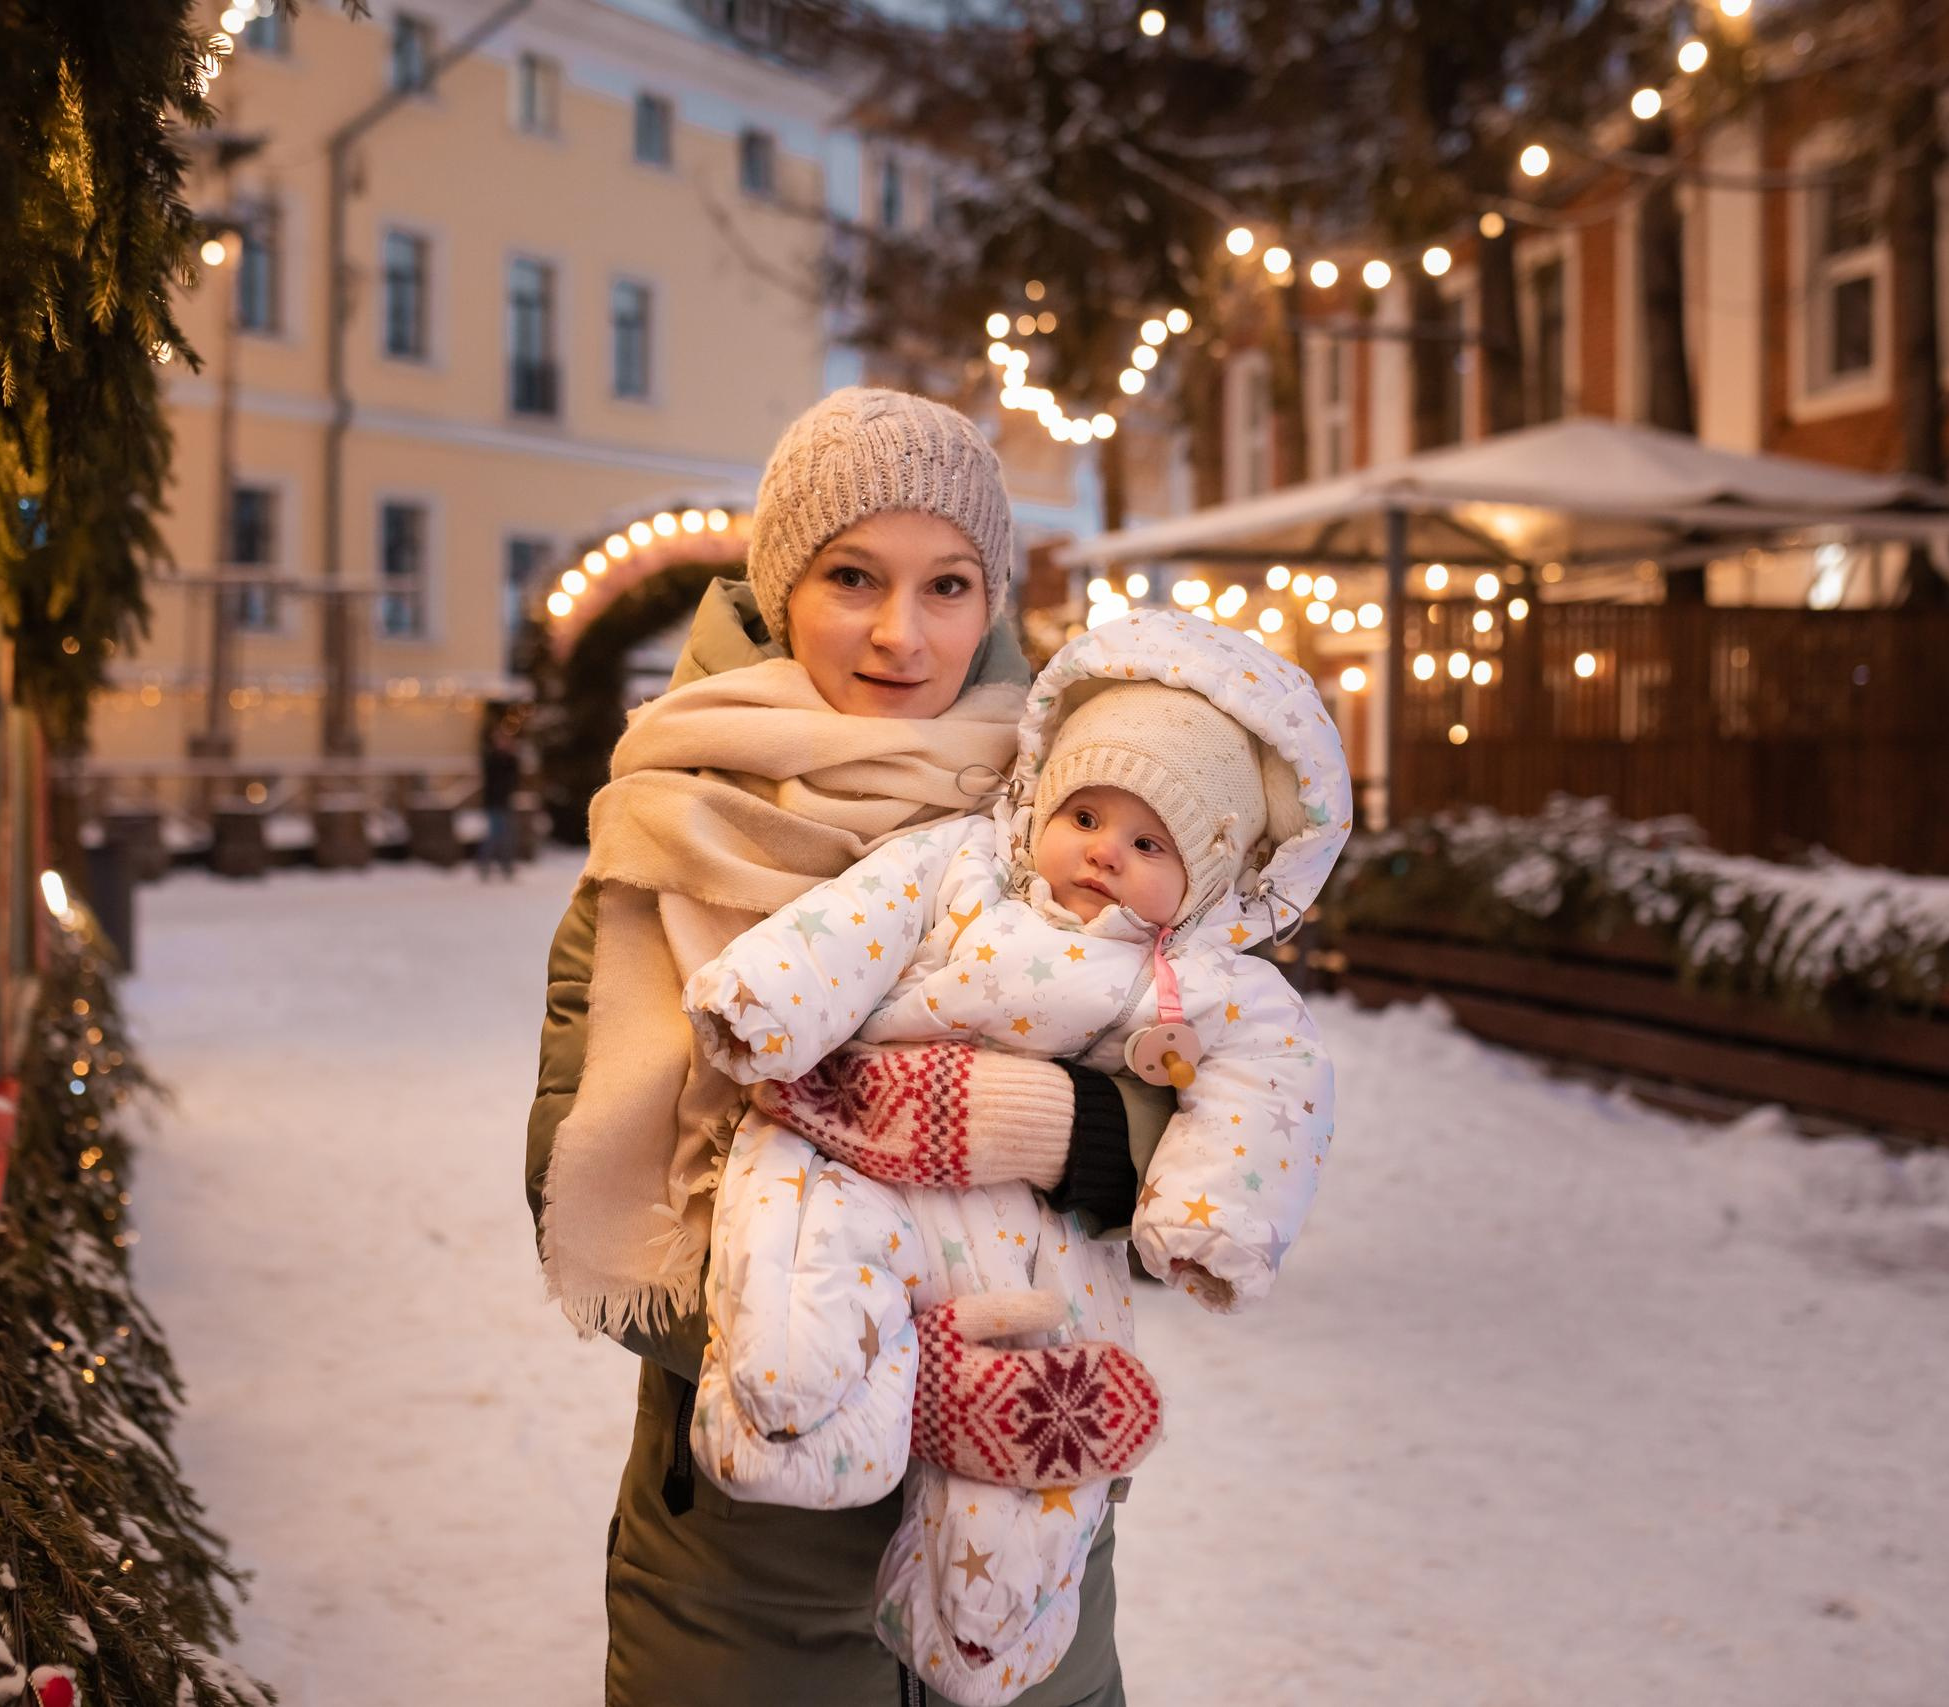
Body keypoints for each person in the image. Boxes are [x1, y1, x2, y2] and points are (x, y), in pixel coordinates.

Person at [524, 388, 1177, 1707]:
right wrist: (889, 1363)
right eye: (853, 576)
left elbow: (1213, 1121)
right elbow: (573, 1170)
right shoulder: (665, 825)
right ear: (783, 586)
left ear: (990, 599)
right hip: (750, 1570)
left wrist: (1075, 1130)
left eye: (948, 584)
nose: (901, 632)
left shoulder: (1078, 819)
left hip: (1028, 1541)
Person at [680, 609, 1350, 1703]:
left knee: (1043, 1419)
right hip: (857, 1156)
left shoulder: (1211, 982)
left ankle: (985, 1628)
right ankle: (788, 1410)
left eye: (1150, 844)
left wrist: (1209, 1218)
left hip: (1039, 1244)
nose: (1105, 851)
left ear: (1210, 876)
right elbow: (851, 924)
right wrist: (765, 1004)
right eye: (1085, 815)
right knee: (798, 1234)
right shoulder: (959, 865)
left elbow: (1274, 1089)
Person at [477, 703, 526, 880]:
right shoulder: (492, 759)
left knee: (507, 836)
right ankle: (485, 865)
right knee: (495, 836)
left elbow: (514, 777)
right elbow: (495, 779)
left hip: (505, 801)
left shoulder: (510, 759)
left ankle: (506, 866)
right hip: (494, 802)